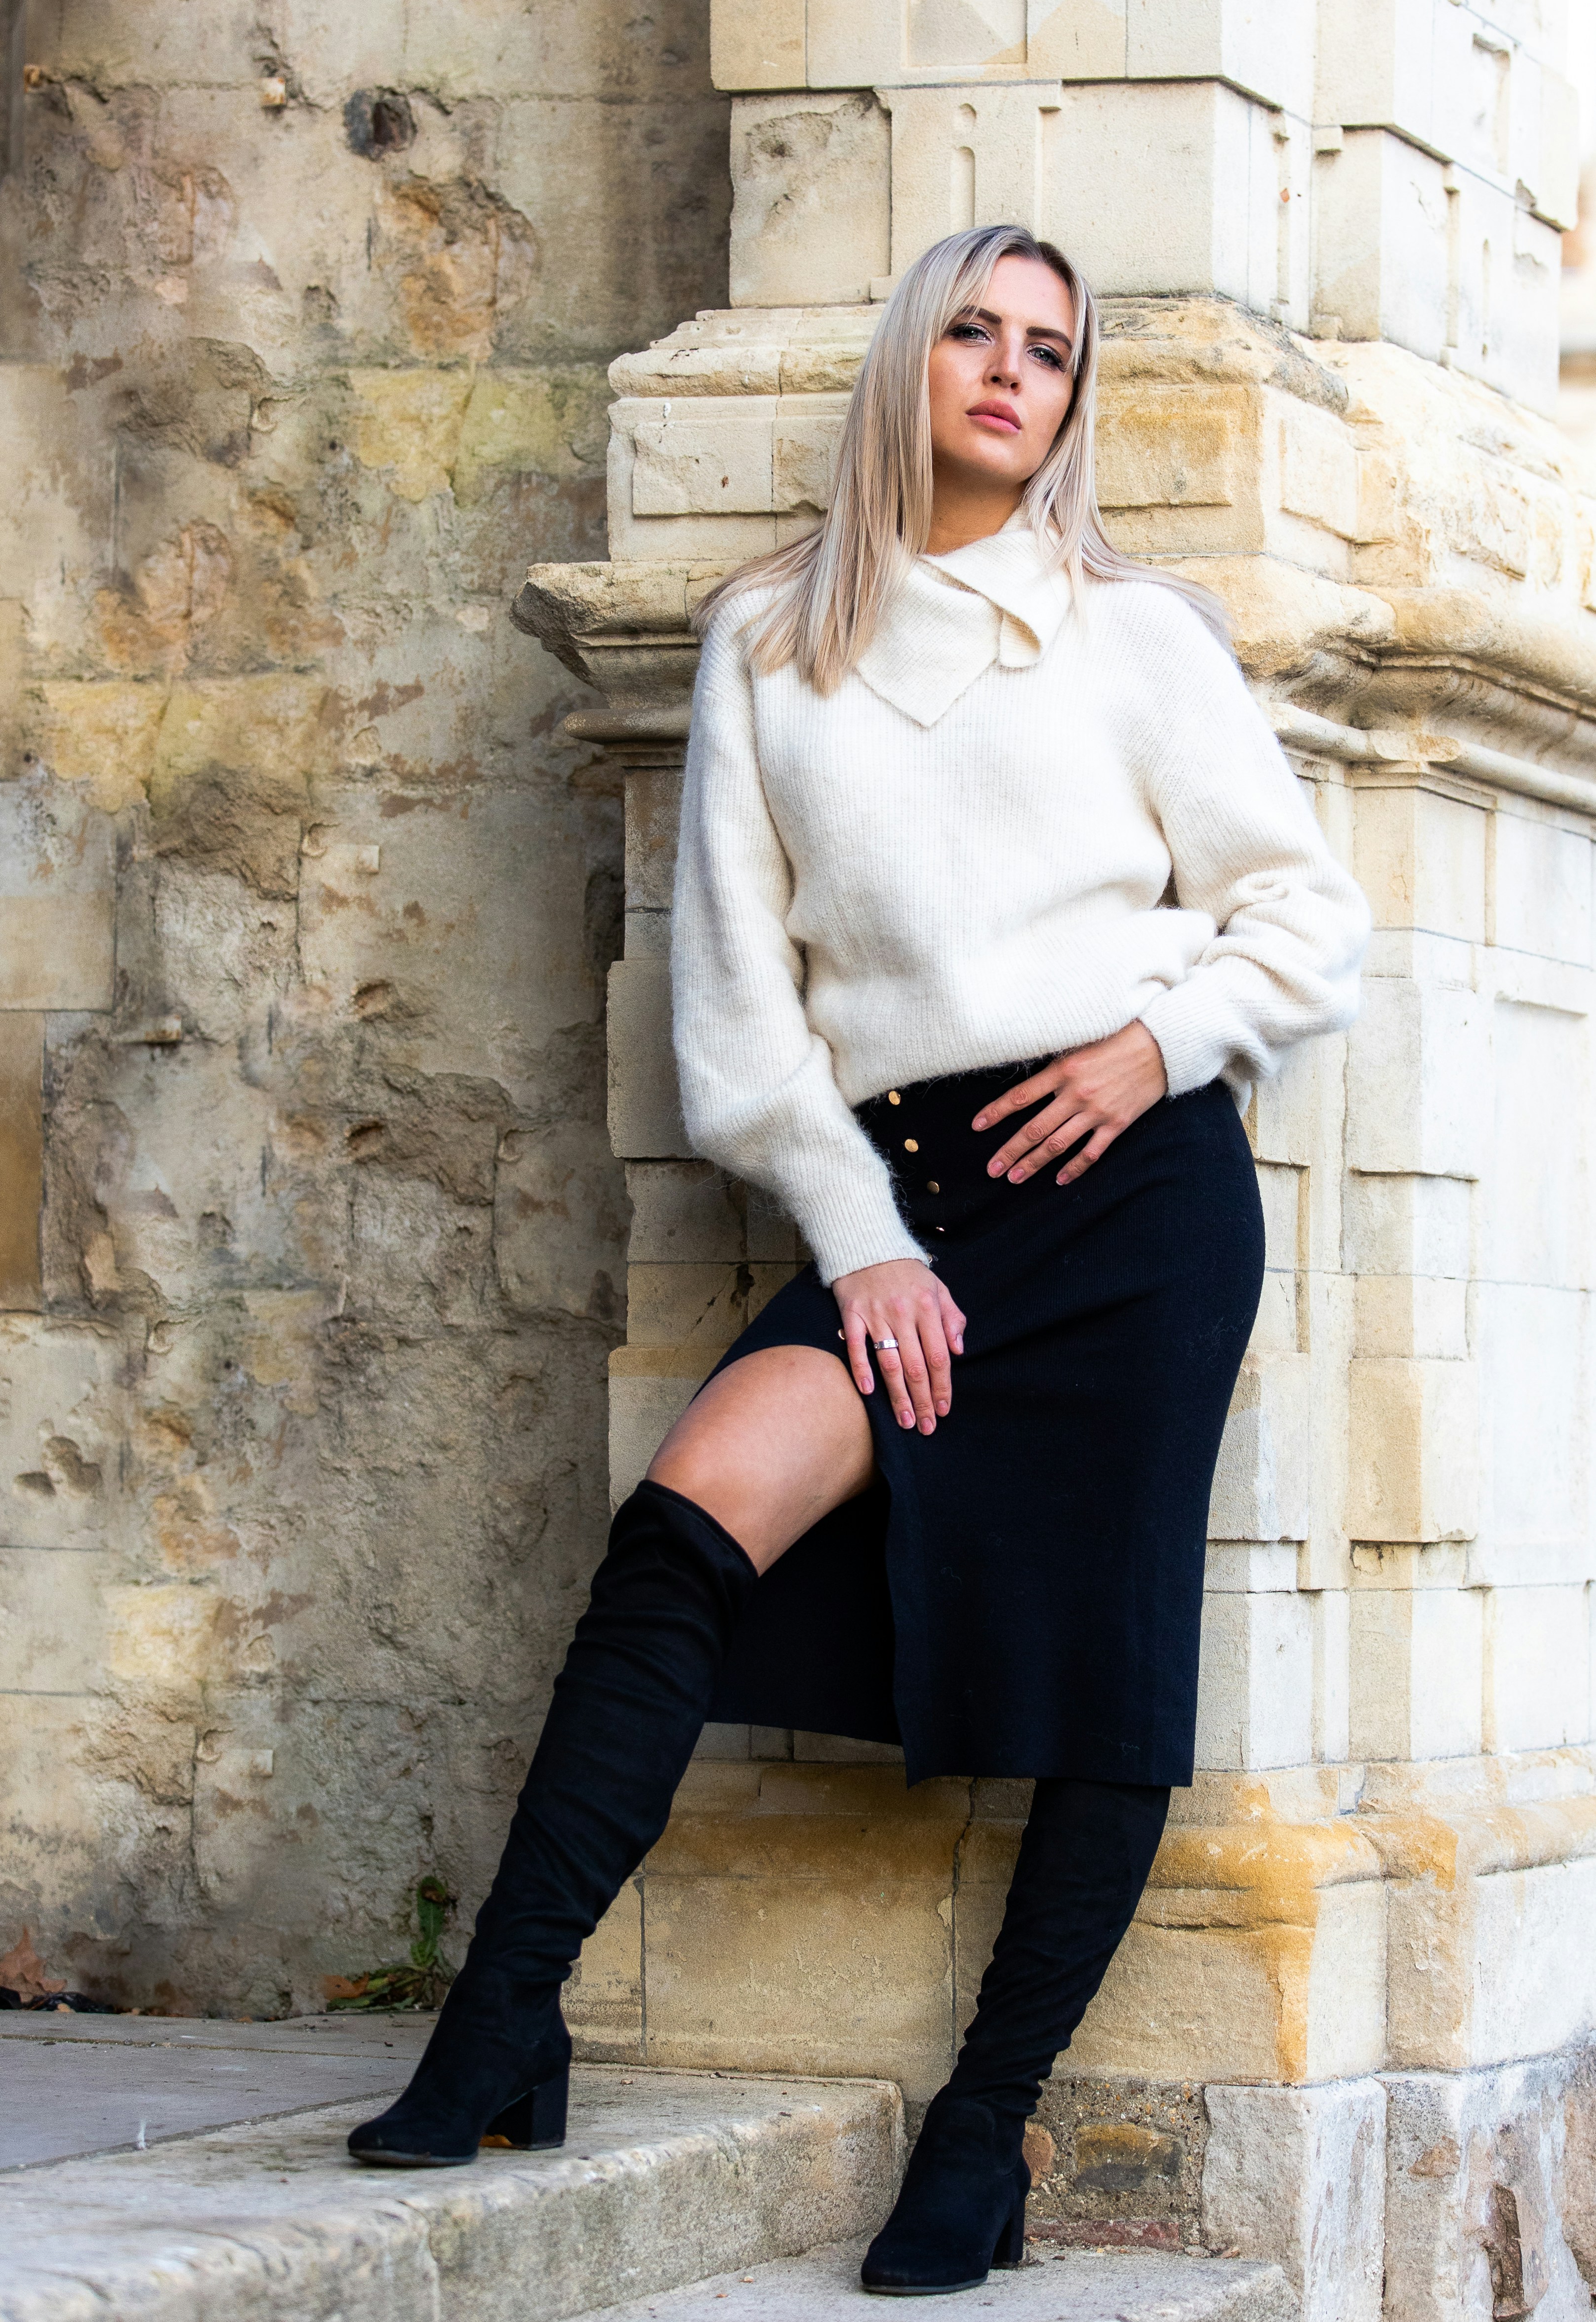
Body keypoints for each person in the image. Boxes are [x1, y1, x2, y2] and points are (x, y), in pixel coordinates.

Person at [347, 224, 1370, 2296]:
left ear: (1073, 403)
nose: (1011, 374)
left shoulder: (1129, 634)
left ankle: (981, 2136)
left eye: (1051, 353)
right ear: (912, 361)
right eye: (976, 335)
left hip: (1136, 1194)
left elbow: (1310, 922)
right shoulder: (766, 649)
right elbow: (740, 1027)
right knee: (687, 1526)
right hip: (901, 1193)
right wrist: (866, 1248)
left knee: (1106, 1675)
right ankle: (503, 2015)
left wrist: (1151, 1043)